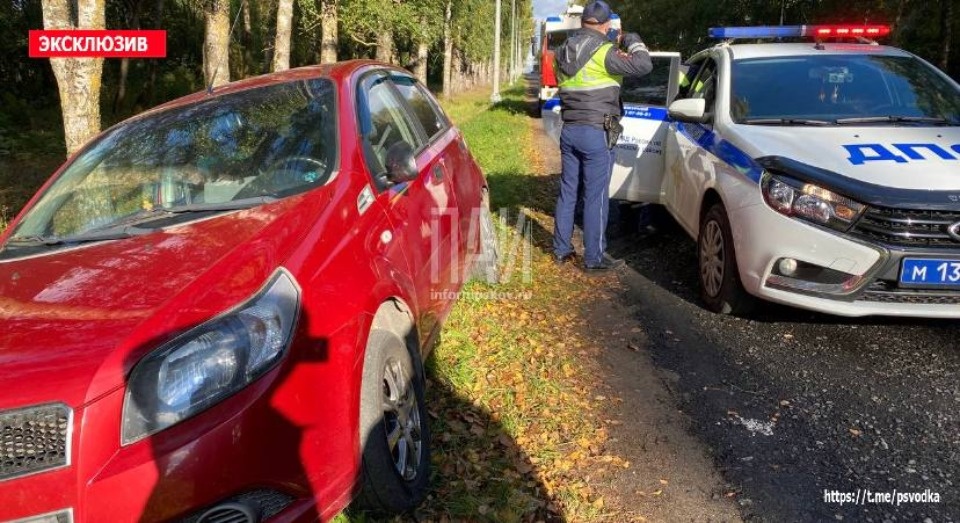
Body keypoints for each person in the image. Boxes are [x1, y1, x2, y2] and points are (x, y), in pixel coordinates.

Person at [552, 0, 652, 272]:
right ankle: (593, 258)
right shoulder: (606, 52)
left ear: (583, 22)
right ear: (606, 25)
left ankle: (561, 250)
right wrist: (631, 40)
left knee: (568, 191)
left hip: (570, 129)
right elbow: (644, 66)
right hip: (596, 132)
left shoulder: (562, 51)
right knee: (596, 197)